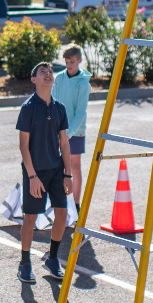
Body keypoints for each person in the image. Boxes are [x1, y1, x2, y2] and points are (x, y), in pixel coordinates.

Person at [16, 62, 72, 284]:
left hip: (57, 170)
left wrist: (68, 174)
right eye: (42, 72)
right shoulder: (28, 107)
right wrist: (32, 177)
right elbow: (23, 146)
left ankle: (52, 258)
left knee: (62, 215)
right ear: (34, 80)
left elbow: (64, 143)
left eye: (50, 72)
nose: (48, 74)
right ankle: (25, 263)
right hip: (35, 171)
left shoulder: (60, 108)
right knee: (30, 217)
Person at [51, 46, 91, 209]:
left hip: (76, 131)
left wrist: (69, 133)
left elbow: (81, 113)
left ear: (80, 61)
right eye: (66, 62)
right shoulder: (59, 78)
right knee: (56, 166)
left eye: (72, 62)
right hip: (58, 130)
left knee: (74, 165)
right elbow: (53, 102)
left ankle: (76, 204)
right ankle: (59, 204)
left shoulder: (83, 83)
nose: (69, 65)